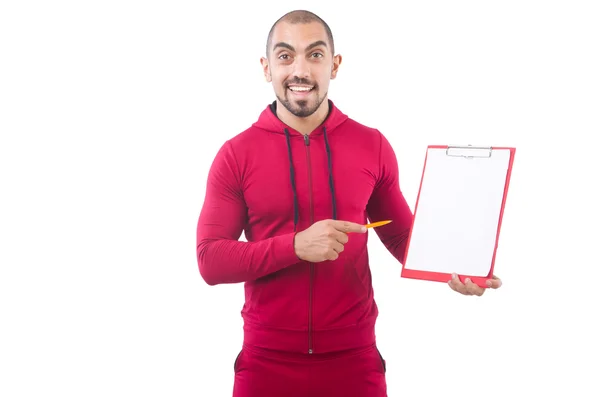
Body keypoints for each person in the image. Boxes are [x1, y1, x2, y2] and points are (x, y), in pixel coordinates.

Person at [196, 9, 502, 397]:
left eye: (316, 55)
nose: (300, 71)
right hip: (266, 361)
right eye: (286, 56)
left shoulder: (371, 145)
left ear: (335, 65)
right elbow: (210, 260)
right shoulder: (235, 155)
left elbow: (401, 235)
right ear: (266, 67)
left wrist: (458, 267)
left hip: (353, 360)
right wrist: (295, 246)